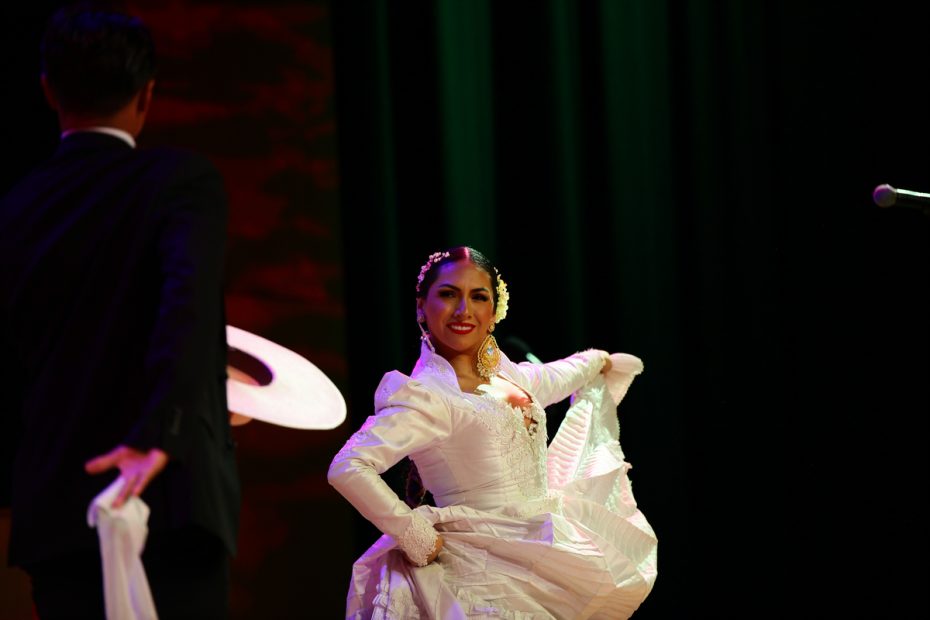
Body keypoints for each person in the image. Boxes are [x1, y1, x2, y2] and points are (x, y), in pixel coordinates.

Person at [0, 4, 240, 618]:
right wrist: (162, 432)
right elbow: (184, 307)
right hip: (171, 497)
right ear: (147, 95)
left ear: (48, 90)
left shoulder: (16, 207)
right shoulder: (182, 181)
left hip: (57, 511)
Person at [328, 246, 658, 619]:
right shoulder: (428, 396)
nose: (463, 309)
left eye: (478, 296)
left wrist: (599, 361)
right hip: (477, 574)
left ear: (494, 312)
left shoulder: (512, 376)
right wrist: (414, 535)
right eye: (449, 294)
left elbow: (560, 374)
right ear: (422, 306)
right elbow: (348, 466)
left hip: (545, 553)